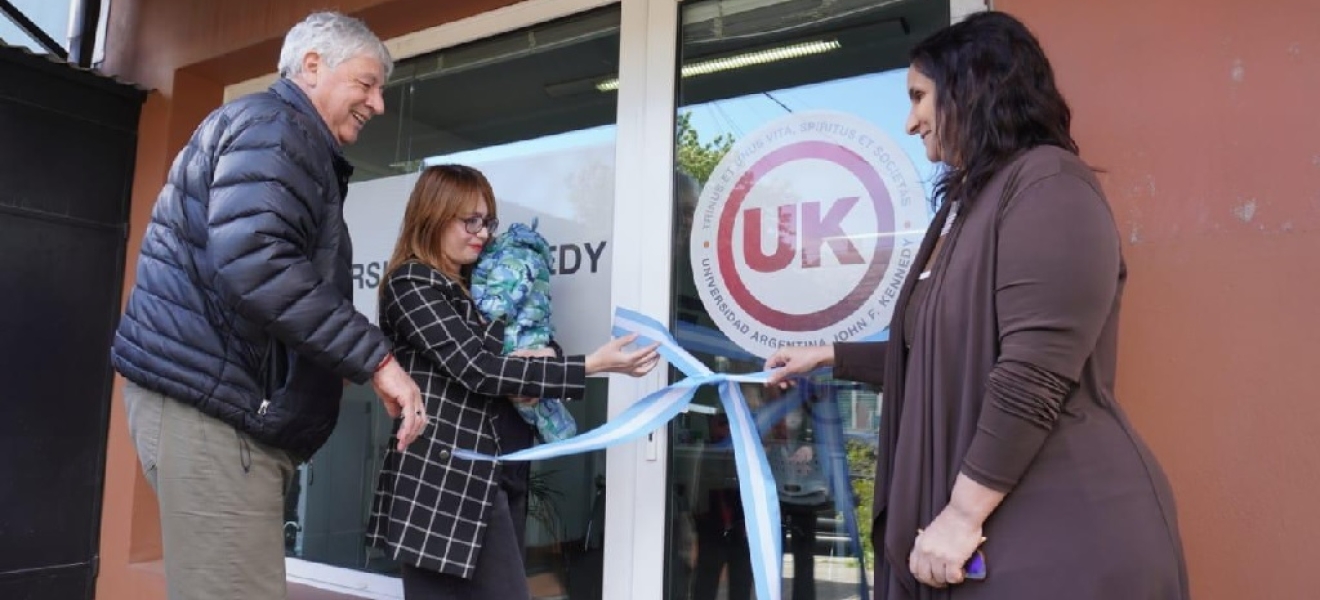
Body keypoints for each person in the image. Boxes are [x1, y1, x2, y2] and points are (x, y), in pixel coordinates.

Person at [764, 11, 1188, 600]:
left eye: (919, 97)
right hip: (991, 537)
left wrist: (961, 515)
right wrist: (829, 355)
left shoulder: (1050, 184)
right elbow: (944, 348)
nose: (910, 122)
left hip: (1063, 538)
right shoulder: (972, 205)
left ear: (972, 86)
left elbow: (1032, 372)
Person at [109, 11, 427, 600]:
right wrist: (378, 362)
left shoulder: (283, 135)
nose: (378, 103)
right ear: (312, 66)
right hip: (216, 414)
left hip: (221, 409)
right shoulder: (276, 129)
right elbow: (258, 261)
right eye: (366, 83)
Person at [365, 164, 660, 600]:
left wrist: (551, 357)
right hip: (447, 478)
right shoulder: (411, 284)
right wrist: (591, 365)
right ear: (432, 216)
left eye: (488, 221)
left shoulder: (480, 280)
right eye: (471, 220)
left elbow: (528, 344)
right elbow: (478, 368)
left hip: (500, 469)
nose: (482, 233)